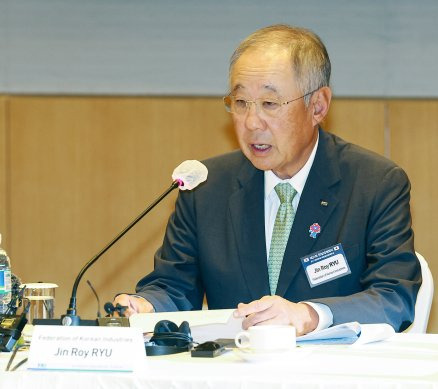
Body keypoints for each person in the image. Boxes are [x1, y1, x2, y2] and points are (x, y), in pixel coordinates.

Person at [114, 24, 421, 336]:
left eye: (270, 104)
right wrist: (145, 307)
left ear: (317, 106)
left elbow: (394, 297)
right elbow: (173, 287)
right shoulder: (206, 189)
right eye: (241, 102)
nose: (251, 122)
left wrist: (309, 315)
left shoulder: (375, 184)